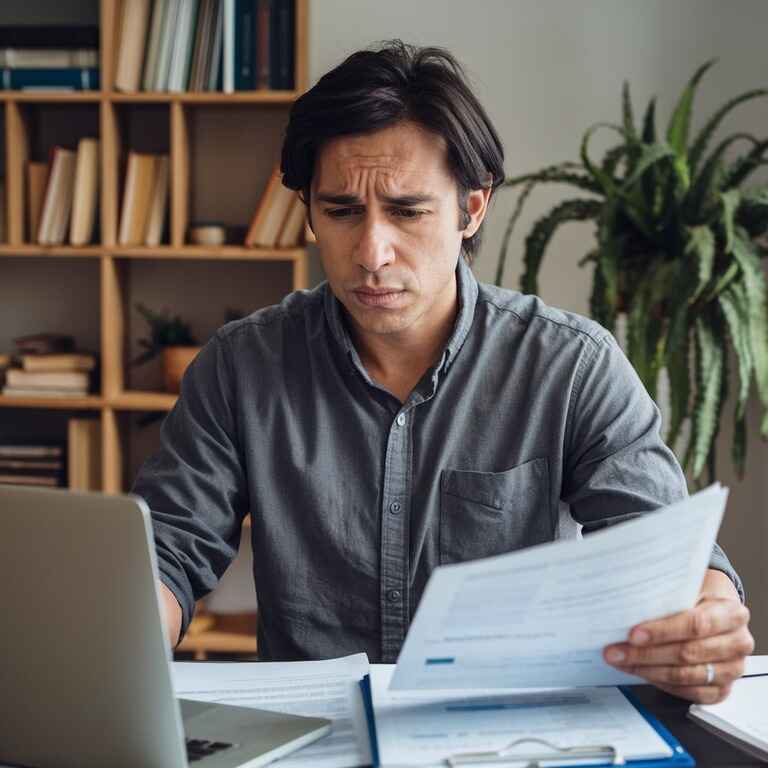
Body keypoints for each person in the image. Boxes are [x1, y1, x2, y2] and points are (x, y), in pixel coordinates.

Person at [133, 40, 753, 705]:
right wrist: (125, 634)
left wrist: (705, 618)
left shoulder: (572, 367)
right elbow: (168, 554)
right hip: (314, 736)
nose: (372, 253)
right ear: (308, 211)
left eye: (407, 211)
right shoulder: (240, 367)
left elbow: (663, 559)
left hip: (507, 736)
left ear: (471, 209)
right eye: (341, 211)